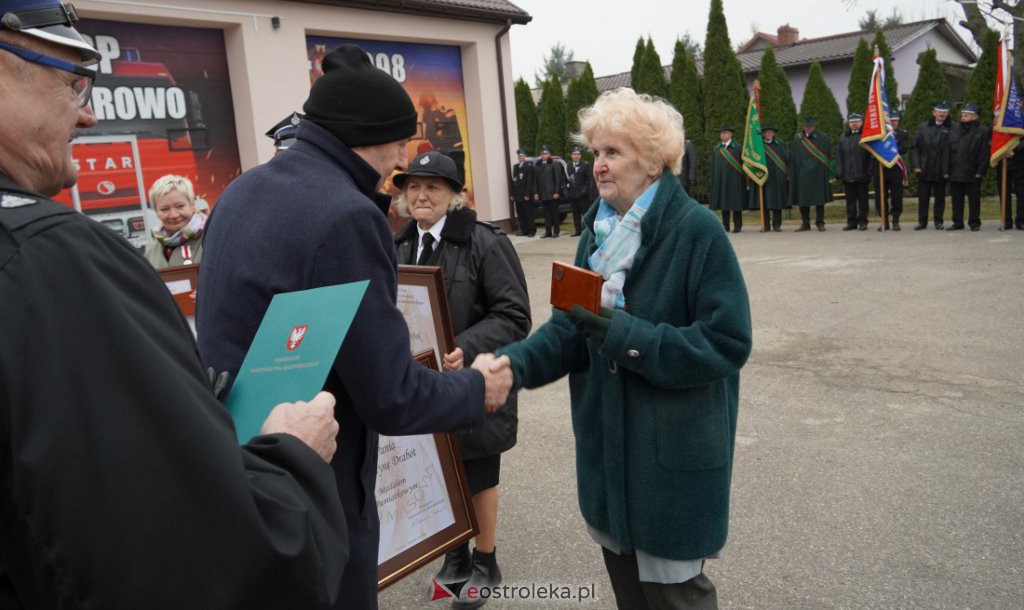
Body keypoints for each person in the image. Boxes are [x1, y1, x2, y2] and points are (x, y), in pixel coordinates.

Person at [0, 0, 349, 608]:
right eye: (71, 79)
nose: (90, 110)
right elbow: (210, 568)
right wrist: (294, 458)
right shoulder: (44, 260)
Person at [196, 44, 513, 610]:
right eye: (399, 143)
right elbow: (391, 396)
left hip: (234, 465)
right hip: (312, 485)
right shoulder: (346, 214)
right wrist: (476, 389)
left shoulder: (241, 190)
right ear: (369, 138)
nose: (401, 160)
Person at [493, 88, 752, 610]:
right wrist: (509, 367)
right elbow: (569, 328)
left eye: (613, 153)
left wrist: (625, 336)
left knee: (677, 597)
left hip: (670, 461)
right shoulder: (596, 232)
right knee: (629, 595)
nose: (599, 166)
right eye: (595, 153)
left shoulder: (696, 231)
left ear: (654, 161)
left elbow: (726, 343)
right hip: (608, 457)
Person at [393, 152, 531, 608]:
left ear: (454, 195)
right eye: (413, 186)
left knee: (477, 468)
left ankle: (485, 560)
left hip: (473, 378)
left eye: (432, 186)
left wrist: (465, 348)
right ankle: (454, 554)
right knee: (435, 466)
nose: (420, 195)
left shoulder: (484, 241)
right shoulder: (397, 245)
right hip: (421, 382)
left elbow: (513, 315)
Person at [143, 174, 205, 268]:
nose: (173, 215)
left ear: (192, 205)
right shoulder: (151, 252)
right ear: (156, 212)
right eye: (165, 209)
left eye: (180, 206)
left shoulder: (209, 239)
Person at [909, 100, 952, 230]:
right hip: (924, 168)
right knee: (923, 197)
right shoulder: (923, 127)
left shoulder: (952, 128)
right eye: (939, 112)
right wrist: (916, 165)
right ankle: (922, 222)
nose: (942, 114)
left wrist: (948, 169)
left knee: (940, 197)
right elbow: (914, 148)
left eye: (944, 112)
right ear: (934, 112)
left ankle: (938, 221)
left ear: (948, 113)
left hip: (941, 169)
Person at [947, 103, 990, 231]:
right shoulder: (955, 129)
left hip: (973, 171)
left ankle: (974, 222)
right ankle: (957, 222)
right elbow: (948, 150)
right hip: (955, 170)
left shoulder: (983, 131)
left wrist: (980, 171)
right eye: (962, 115)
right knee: (956, 199)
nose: (962, 117)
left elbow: (985, 153)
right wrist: (947, 170)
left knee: (974, 199)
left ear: (974, 116)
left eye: (966, 115)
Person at [789, 117, 834, 231]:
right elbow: (795, 158)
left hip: (818, 173)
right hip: (802, 174)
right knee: (803, 200)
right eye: (806, 126)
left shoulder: (822, 138)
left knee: (819, 200)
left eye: (810, 126)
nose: (808, 128)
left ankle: (820, 222)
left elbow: (827, 156)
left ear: (814, 126)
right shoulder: (798, 139)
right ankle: (805, 223)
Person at [749, 123, 790, 231]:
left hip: (777, 176)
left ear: (774, 133)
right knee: (765, 202)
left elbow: (786, 159)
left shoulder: (780, 144)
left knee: (777, 202)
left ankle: (777, 225)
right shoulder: (758, 144)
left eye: (771, 132)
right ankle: (765, 225)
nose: (769, 134)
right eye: (767, 132)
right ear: (763, 133)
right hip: (764, 177)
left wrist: (786, 174)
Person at [835, 113, 871, 231]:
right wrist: (839, 171)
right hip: (848, 175)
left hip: (862, 174)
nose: (854, 124)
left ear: (861, 123)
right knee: (850, 201)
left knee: (863, 200)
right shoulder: (843, 137)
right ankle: (851, 222)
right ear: (848, 123)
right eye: (852, 122)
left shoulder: (866, 136)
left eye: (857, 121)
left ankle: (863, 221)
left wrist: (869, 171)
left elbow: (871, 156)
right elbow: (839, 156)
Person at [709, 124, 746, 232]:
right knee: (724, 204)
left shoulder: (738, 147)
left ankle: (738, 225)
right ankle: (726, 226)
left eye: (725, 133)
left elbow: (743, 165)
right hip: (722, 181)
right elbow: (714, 167)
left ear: (730, 134)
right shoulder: (716, 149)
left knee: (736, 204)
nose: (723, 135)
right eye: (721, 133)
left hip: (735, 180)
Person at [875, 111, 909, 231]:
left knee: (897, 195)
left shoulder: (902, 134)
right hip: (881, 168)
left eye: (895, 120)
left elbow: (904, 148)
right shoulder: (879, 135)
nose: (893, 122)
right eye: (891, 120)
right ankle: (884, 220)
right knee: (880, 196)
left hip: (896, 169)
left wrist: (888, 150)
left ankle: (895, 220)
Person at [533, 144, 566, 237]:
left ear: (549, 154)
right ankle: (548, 232)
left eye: (546, 153)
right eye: (542, 153)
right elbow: (535, 180)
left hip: (552, 194)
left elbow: (558, 180)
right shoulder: (537, 165)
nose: (544, 155)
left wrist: (556, 192)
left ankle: (556, 231)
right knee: (546, 215)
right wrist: (536, 192)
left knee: (554, 214)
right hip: (543, 194)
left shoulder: (554, 164)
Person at [566, 145, 595, 236]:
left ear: (580, 156)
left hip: (583, 195)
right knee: (575, 214)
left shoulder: (585, 165)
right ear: (571, 156)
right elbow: (565, 180)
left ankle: (587, 231)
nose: (576, 156)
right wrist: (566, 191)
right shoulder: (568, 166)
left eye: (578, 154)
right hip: (573, 194)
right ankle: (577, 230)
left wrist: (585, 190)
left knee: (585, 213)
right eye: (574, 154)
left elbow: (589, 179)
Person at [995, 140, 1024, 230]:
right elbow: (991, 140)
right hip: (1003, 161)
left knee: (1022, 191)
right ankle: (1006, 220)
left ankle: (1021, 220)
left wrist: (1017, 148)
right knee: (1004, 192)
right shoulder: (997, 125)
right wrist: (1002, 151)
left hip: (1021, 160)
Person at [510, 147, 536, 236]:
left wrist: (527, 194)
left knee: (528, 213)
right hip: (518, 195)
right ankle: (524, 230)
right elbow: (514, 181)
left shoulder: (528, 166)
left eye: (521, 155)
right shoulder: (516, 167)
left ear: (525, 156)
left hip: (526, 195)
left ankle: (531, 230)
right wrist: (512, 194)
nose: (520, 157)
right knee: (520, 214)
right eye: (519, 156)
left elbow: (529, 182)